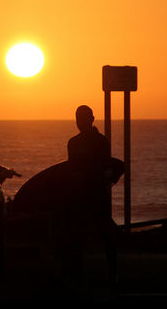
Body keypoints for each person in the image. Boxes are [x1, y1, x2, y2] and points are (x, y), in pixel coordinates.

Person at [61, 105, 117, 286]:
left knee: (104, 234)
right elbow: (71, 169)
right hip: (79, 196)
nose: (80, 122)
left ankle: (112, 272)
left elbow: (106, 167)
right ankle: (76, 274)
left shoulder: (101, 141)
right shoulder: (73, 143)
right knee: (77, 236)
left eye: (83, 118)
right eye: (78, 118)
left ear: (92, 119)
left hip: (97, 194)